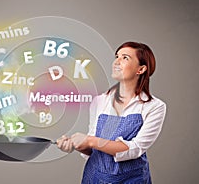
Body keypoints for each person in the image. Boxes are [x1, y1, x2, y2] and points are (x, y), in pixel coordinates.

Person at [57, 41, 166, 184]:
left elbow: (135, 149)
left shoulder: (154, 107)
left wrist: (90, 140)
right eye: (117, 56)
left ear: (141, 69)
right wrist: (77, 145)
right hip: (95, 177)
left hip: (132, 179)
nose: (116, 62)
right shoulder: (100, 101)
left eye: (125, 58)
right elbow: (94, 151)